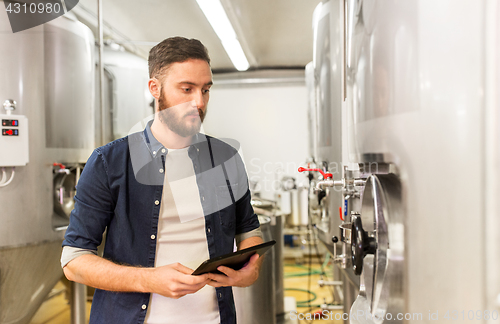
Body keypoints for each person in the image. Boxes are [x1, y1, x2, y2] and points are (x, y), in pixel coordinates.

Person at [61, 37, 264, 324]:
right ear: (155, 89)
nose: (200, 102)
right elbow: (74, 261)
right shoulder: (109, 162)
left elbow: (249, 231)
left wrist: (251, 268)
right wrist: (148, 280)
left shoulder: (226, 158)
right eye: (187, 89)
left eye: (206, 90)